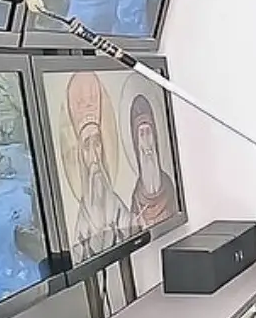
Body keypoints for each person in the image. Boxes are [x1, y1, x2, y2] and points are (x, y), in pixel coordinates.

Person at [65, 72, 134, 261]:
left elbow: (132, 226)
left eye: (98, 143)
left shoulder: (119, 207)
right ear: (79, 155)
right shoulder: (81, 223)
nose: (95, 155)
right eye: (87, 146)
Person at [127, 94, 177, 228]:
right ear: (136, 142)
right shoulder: (137, 198)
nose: (147, 142)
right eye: (141, 135)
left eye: (148, 133)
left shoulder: (168, 186)